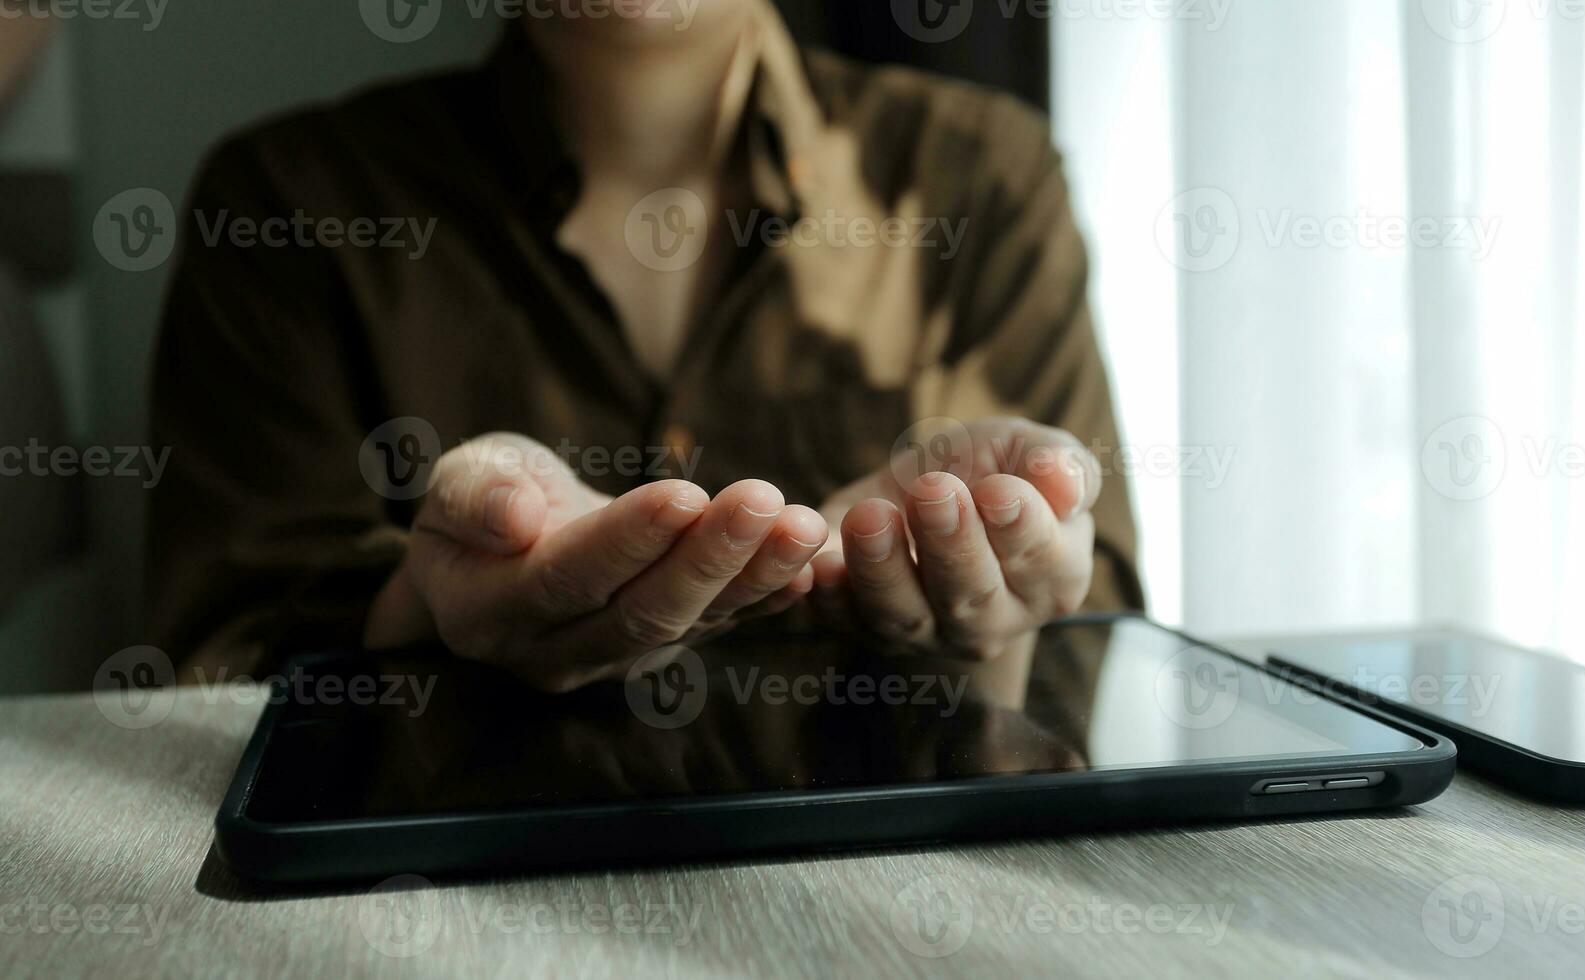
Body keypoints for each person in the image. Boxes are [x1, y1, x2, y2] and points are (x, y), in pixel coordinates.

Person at [146, 0, 1142, 693]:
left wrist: (996, 600)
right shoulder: (290, 205)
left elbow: (1100, 633)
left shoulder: (978, 178)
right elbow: (220, 651)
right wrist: (421, 597)